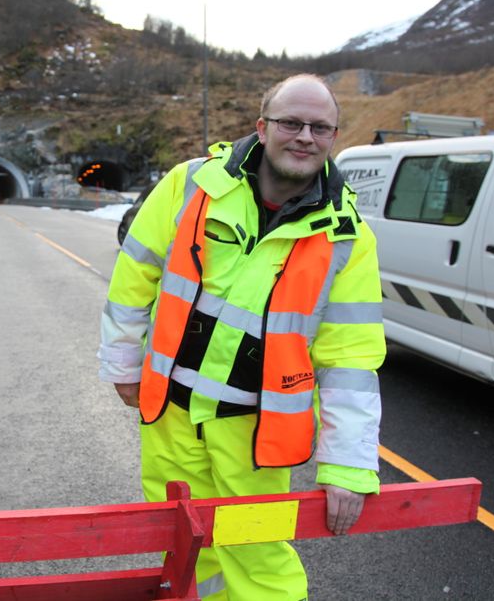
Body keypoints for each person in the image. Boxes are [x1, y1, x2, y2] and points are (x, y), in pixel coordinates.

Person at [98, 74, 385, 601]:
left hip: (253, 432)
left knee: (257, 561)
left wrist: (347, 463)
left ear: (334, 136)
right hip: (171, 417)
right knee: (185, 548)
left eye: (319, 127)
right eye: (290, 122)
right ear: (261, 127)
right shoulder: (194, 184)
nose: (304, 136)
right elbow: (134, 273)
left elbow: (350, 359)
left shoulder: (347, 237)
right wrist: (121, 363)